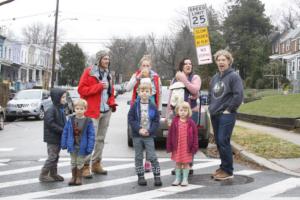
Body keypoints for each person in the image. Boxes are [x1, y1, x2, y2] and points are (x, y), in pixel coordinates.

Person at [78, 50, 118, 178]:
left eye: (108, 59)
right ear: (99, 59)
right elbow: (81, 90)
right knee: (90, 139)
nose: (107, 61)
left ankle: (96, 164)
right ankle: (85, 166)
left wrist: (112, 103)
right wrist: (99, 87)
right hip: (92, 112)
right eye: (105, 58)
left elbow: (110, 92)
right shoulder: (89, 72)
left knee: (101, 139)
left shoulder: (109, 74)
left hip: (106, 111)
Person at [209, 49, 244, 181]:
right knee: (218, 141)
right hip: (215, 114)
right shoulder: (215, 77)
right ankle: (223, 167)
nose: (221, 62)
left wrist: (229, 110)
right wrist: (211, 108)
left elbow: (238, 95)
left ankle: (228, 171)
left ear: (229, 61)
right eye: (218, 60)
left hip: (227, 114)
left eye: (223, 59)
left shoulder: (234, 76)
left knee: (223, 140)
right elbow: (211, 95)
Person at [126, 55, 162, 172]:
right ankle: (139, 161)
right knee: (138, 134)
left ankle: (148, 161)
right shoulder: (136, 75)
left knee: (149, 134)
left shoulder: (156, 77)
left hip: (151, 107)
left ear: (150, 66)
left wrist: (159, 109)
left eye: (147, 65)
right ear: (140, 66)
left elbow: (159, 93)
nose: (145, 67)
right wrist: (137, 77)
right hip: (138, 108)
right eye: (143, 65)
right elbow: (128, 88)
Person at [166, 58, 201, 175]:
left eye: (190, 64)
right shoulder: (175, 80)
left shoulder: (195, 78)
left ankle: (189, 165)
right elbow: (171, 97)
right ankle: (178, 165)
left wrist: (184, 79)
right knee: (178, 139)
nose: (188, 65)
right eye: (186, 64)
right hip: (177, 113)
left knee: (189, 139)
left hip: (191, 113)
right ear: (181, 66)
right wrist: (168, 115)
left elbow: (195, 89)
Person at [127, 81, 162, 186]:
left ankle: (157, 176)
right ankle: (141, 176)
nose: (145, 93)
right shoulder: (135, 106)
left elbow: (156, 121)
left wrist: (150, 131)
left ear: (151, 93)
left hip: (148, 135)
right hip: (137, 135)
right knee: (138, 157)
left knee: (152, 156)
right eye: (142, 91)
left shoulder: (153, 106)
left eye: (147, 91)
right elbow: (131, 118)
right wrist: (139, 129)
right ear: (138, 92)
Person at [61, 99, 95, 186]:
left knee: (80, 162)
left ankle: (79, 177)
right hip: (72, 146)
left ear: (85, 109)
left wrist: (90, 147)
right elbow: (65, 131)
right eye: (77, 108)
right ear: (74, 109)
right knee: (73, 162)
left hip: (82, 147)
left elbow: (91, 135)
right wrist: (64, 143)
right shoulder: (70, 120)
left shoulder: (88, 121)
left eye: (81, 109)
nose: (79, 111)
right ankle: (73, 177)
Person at [167, 102, 198, 186]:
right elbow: (170, 134)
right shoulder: (175, 122)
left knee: (186, 163)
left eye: (185, 110)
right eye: (181, 110)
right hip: (177, 147)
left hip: (187, 147)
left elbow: (195, 136)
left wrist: (195, 146)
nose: (183, 112)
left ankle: (185, 179)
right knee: (178, 163)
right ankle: (177, 178)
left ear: (188, 112)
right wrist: (169, 145)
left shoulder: (191, 123)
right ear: (177, 111)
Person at [39, 88, 67, 182]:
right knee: (52, 157)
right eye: (63, 97)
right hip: (52, 138)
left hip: (57, 137)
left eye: (65, 97)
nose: (64, 99)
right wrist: (62, 130)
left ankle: (53, 174)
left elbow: (63, 122)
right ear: (56, 98)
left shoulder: (60, 108)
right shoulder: (51, 110)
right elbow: (50, 124)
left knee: (56, 156)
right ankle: (43, 175)